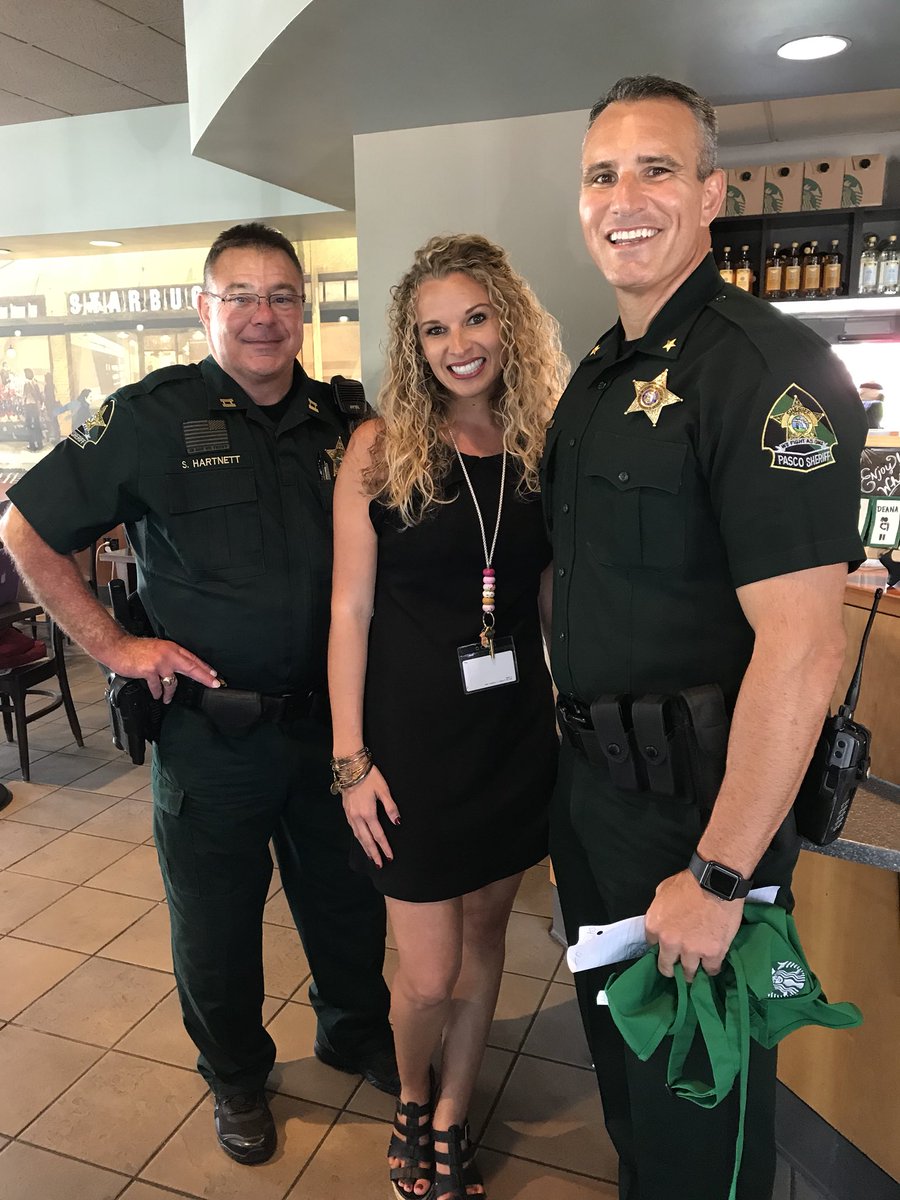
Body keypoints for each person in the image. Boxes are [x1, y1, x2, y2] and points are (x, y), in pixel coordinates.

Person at [0, 222, 397, 1167]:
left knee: (347, 900)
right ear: (205, 307)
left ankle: (351, 1029)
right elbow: (24, 529)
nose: (264, 317)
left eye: (282, 297)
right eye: (241, 297)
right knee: (216, 920)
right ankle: (235, 1074)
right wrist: (115, 645)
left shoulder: (349, 420)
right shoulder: (150, 416)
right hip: (211, 738)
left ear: (304, 309)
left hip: (332, 728)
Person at [544, 77, 867, 1200]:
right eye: (601, 174)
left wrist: (722, 874)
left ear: (712, 192)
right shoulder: (596, 379)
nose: (624, 197)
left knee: (701, 1122)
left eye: (656, 168)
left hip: (697, 821)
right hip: (593, 805)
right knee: (633, 1103)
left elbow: (805, 650)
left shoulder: (765, 371)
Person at [329, 234, 567, 1200]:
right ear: (413, 344)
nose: (457, 344)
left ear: (507, 321)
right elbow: (347, 611)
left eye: (474, 318)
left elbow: (547, 600)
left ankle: (456, 1116)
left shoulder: (544, 446)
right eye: (433, 329)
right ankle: (412, 1096)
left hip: (511, 741)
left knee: (482, 946)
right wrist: (349, 759)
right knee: (425, 976)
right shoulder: (379, 450)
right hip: (411, 749)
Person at [21, 368, 44, 452]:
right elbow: (39, 395)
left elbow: (24, 396)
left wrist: (22, 404)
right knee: (37, 424)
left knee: (30, 426)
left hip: (29, 406)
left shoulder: (26, 384)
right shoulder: (35, 383)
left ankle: (32, 445)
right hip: (35, 406)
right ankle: (39, 443)